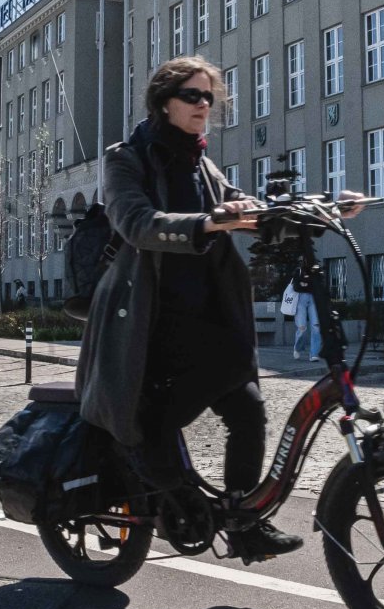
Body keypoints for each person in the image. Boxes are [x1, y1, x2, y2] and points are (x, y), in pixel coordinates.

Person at [76, 57, 364, 561]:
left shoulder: (203, 166)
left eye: (209, 97)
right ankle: (166, 479)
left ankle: (242, 523)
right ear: (164, 102)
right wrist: (208, 222)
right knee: (164, 416)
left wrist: (325, 209)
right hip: (149, 323)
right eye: (192, 96)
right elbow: (137, 222)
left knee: (250, 409)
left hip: (204, 316)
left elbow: (250, 211)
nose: (203, 106)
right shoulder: (126, 158)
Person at [291, 269, 321, 362]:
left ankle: (314, 354)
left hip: (314, 298)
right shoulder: (298, 271)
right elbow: (296, 286)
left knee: (316, 326)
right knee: (302, 327)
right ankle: (297, 348)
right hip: (300, 298)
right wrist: (309, 285)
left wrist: (304, 285)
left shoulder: (316, 270)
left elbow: (318, 285)